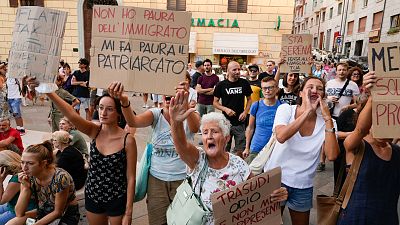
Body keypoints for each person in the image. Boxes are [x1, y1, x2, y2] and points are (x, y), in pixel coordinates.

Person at [168, 91, 288, 225]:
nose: (209, 136)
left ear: (226, 138)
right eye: (205, 132)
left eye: (214, 131)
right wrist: (176, 122)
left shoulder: (238, 163)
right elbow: (182, 146)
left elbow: (258, 192)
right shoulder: (198, 159)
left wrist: (275, 193)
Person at [107, 81, 200, 225]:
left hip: (183, 179)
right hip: (156, 181)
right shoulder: (156, 114)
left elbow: (195, 128)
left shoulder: (191, 113)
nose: (169, 96)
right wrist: (124, 101)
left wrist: (185, 104)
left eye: (175, 91)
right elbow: (133, 122)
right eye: (166, 92)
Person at [45, 89, 137, 225]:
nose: (103, 113)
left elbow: (131, 178)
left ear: (118, 113)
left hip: (117, 197)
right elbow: (70, 114)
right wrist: (48, 92)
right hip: (93, 194)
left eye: (110, 109)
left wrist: (129, 211)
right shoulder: (94, 131)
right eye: (100, 108)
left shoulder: (128, 140)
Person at [264, 77, 339, 225]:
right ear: (300, 93)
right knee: (270, 222)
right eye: (310, 87)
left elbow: (332, 155)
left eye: (319, 89)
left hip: (303, 185)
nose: (314, 91)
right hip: (276, 180)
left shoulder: (328, 121)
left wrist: (328, 119)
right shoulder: (286, 109)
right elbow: (281, 136)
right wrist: (308, 112)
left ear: (323, 96)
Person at [337, 71, 400, 225]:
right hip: (356, 219)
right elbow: (360, 131)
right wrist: (374, 96)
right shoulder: (356, 146)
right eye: (377, 119)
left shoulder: (397, 152)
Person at [7, 141, 80, 225]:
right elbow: (19, 213)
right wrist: (26, 188)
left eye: (30, 163)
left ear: (44, 163)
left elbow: (58, 212)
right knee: (13, 223)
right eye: (22, 162)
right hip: (44, 210)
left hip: (66, 213)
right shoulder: (29, 176)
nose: (24, 168)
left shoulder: (60, 178)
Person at [213, 61, 252, 157]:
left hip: (240, 122)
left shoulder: (244, 83)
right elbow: (215, 102)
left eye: (239, 69)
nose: (237, 71)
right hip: (225, 123)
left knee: (240, 149)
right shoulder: (221, 85)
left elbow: (250, 100)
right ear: (228, 71)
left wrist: (245, 112)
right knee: (224, 148)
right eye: (234, 69)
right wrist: (226, 109)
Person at [243, 77, 281, 164]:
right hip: (256, 148)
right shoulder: (256, 105)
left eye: (270, 87)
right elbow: (250, 127)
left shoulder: (282, 106)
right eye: (264, 88)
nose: (267, 91)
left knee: (273, 176)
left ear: (276, 89)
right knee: (252, 175)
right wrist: (247, 147)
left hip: (275, 149)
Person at [0, 150, 36, 225]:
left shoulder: (17, 178)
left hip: (23, 209)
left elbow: (2, 200)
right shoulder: (20, 173)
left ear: (4, 167)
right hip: (12, 205)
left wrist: (0, 181)